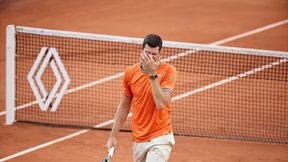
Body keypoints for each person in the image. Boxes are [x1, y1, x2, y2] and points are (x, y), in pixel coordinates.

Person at [106, 34, 177, 162]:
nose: (150, 57)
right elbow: (124, 105)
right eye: (147, 53)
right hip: (139, 138)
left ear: (160, 54)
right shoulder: (130, 72)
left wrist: (152, 74)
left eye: (154, 54)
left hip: (160, 137)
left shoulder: (169, 71)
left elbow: (161, 104)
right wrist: (112, 136)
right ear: (141, 51)